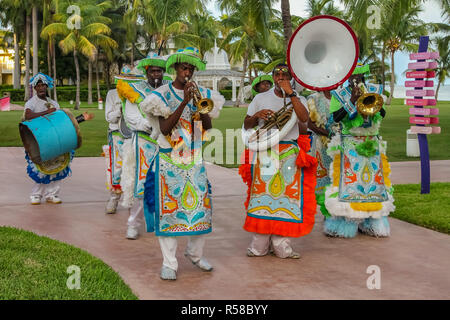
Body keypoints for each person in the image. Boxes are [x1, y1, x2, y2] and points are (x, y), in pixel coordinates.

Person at [140, 47, 225, 280]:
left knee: (201, 209)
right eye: (183, 67)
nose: (187, 71)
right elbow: (166, 129)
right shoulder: (161, 95)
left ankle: (195, 254)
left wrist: (198, 104)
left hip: (194, 159)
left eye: (190, 68)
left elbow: (207, 127)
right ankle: (170, 263)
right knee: (168, 213)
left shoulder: (203, 92)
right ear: (175, 69)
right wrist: (184, 102)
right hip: (169, 160)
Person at [240, 64, 317, 259]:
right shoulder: (260, 98)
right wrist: (257, 116)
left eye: (285, 75)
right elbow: (246, 124)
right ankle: (259, 246)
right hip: (266, 151)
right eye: (277, 74)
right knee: (263, 199)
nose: (280, 77)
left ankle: (282, 247)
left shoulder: (299, 99)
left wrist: (291, 94)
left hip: (289, 151)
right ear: (272, 77)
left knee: (286, 200)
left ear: (291, 78)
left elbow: (304, 119)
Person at [322, 61, 395, 238]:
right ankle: (347, 221)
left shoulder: (373, 89)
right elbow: (334, 119)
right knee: (349, 184)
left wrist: (370, 98)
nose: (355, 79)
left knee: (373, 184)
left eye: (358, 76)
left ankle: (372, 219)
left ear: (363, 75)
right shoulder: (338, 94)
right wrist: (352, 101)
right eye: (352, 76)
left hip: (371, 144)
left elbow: (382, 113)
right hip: (349, 144)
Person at [116, 53, 169, 240]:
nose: (156, 74)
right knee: (140, 185)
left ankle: (163, 222)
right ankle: (133, 223)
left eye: (159, 71)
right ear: (147, 72)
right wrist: (152, 126)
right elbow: (131, 117)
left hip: (165, 142)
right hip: (143, 143)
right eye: (153, 71)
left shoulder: (167, 90)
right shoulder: (135, 90)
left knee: (165, 183)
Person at [23, 73, 93, 205]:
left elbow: (62, 122)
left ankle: (52, 194)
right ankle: (36, 195)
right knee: (41, 168)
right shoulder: (31, 103)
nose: (42, 88)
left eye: (43, 85)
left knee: (56, 166)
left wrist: (81, 119)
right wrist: (46, 112)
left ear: (47, 86)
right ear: (35, 88)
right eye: (39, 86)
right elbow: (28, 116)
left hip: (55, 140)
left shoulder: (53, 103)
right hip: (39, 140)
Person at [104, 66, 145, 214]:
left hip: (135, 134)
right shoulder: (112, 94)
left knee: (135, 167)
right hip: (117, 135)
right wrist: (120, 110)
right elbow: (108, 117)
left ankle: (134, 201)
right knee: (118, 168)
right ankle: (114, 199)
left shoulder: (138, 94)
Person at [306, 90, 336, 215]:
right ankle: (328, 211)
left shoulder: (341, 96)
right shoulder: (313, 98)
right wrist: (327, 133)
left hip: (340, 143)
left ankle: (338, 210)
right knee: (324, 178)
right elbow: (308, 123)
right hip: (321, 143)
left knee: (338, 176)